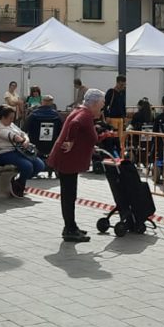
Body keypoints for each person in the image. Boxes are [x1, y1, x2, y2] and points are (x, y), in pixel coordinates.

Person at [47, 88, 103, 242]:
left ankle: (71, 226)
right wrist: (70, 141)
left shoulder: (81, 110)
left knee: (69, 195)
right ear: (95, 103)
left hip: (68, 160)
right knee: (69, 196)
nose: (102, 107)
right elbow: (74, 124)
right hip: (68, 160)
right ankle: (69, 229)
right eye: (102, 104)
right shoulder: (84, 115)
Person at [0, 106, 45, 198]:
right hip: (4, 153)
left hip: (19, 151)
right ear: (3, 117)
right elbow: (14, 136)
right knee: (27, 166)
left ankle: (18, 182)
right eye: (10, 118)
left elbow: (23, 133)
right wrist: (23, 140)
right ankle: (19, 186)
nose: (12, 120)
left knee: (40, 165)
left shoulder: (11, 125)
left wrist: (26, 140)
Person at [25, 95, 64, 172]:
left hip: (35, 144)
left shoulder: (33, 115)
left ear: (42, 102)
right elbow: (62, 130)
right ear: (52, 103)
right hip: (52, 145)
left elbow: (24, 129)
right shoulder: (57, 116)